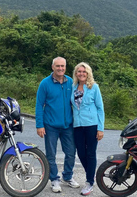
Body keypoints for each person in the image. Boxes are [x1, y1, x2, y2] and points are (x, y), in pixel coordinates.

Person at [35, 57, 80, 193]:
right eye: (58, 66)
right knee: (51, 154)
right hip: (50, 126)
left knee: (71, 153)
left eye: (63, 66)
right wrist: (39, 125)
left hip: (68, 125)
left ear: (66, 67)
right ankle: (54, 179)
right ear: (52, 67)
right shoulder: (45, 83)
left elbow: (77, 103)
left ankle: (67, 176)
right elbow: (39, 105)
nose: (60, 68)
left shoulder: (70, 82)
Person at [71, 62, 105, 196]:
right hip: (77, 125)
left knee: (90, 153)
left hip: (92, 125)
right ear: (76, 73)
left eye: (84, 72)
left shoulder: (94, 87)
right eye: (79, 71)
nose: (81, 74)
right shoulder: (73, 87)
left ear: (88, 73)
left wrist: (100, 129)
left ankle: (89, 181)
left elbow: (100, 108)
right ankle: (91, 174)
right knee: (80, 153)